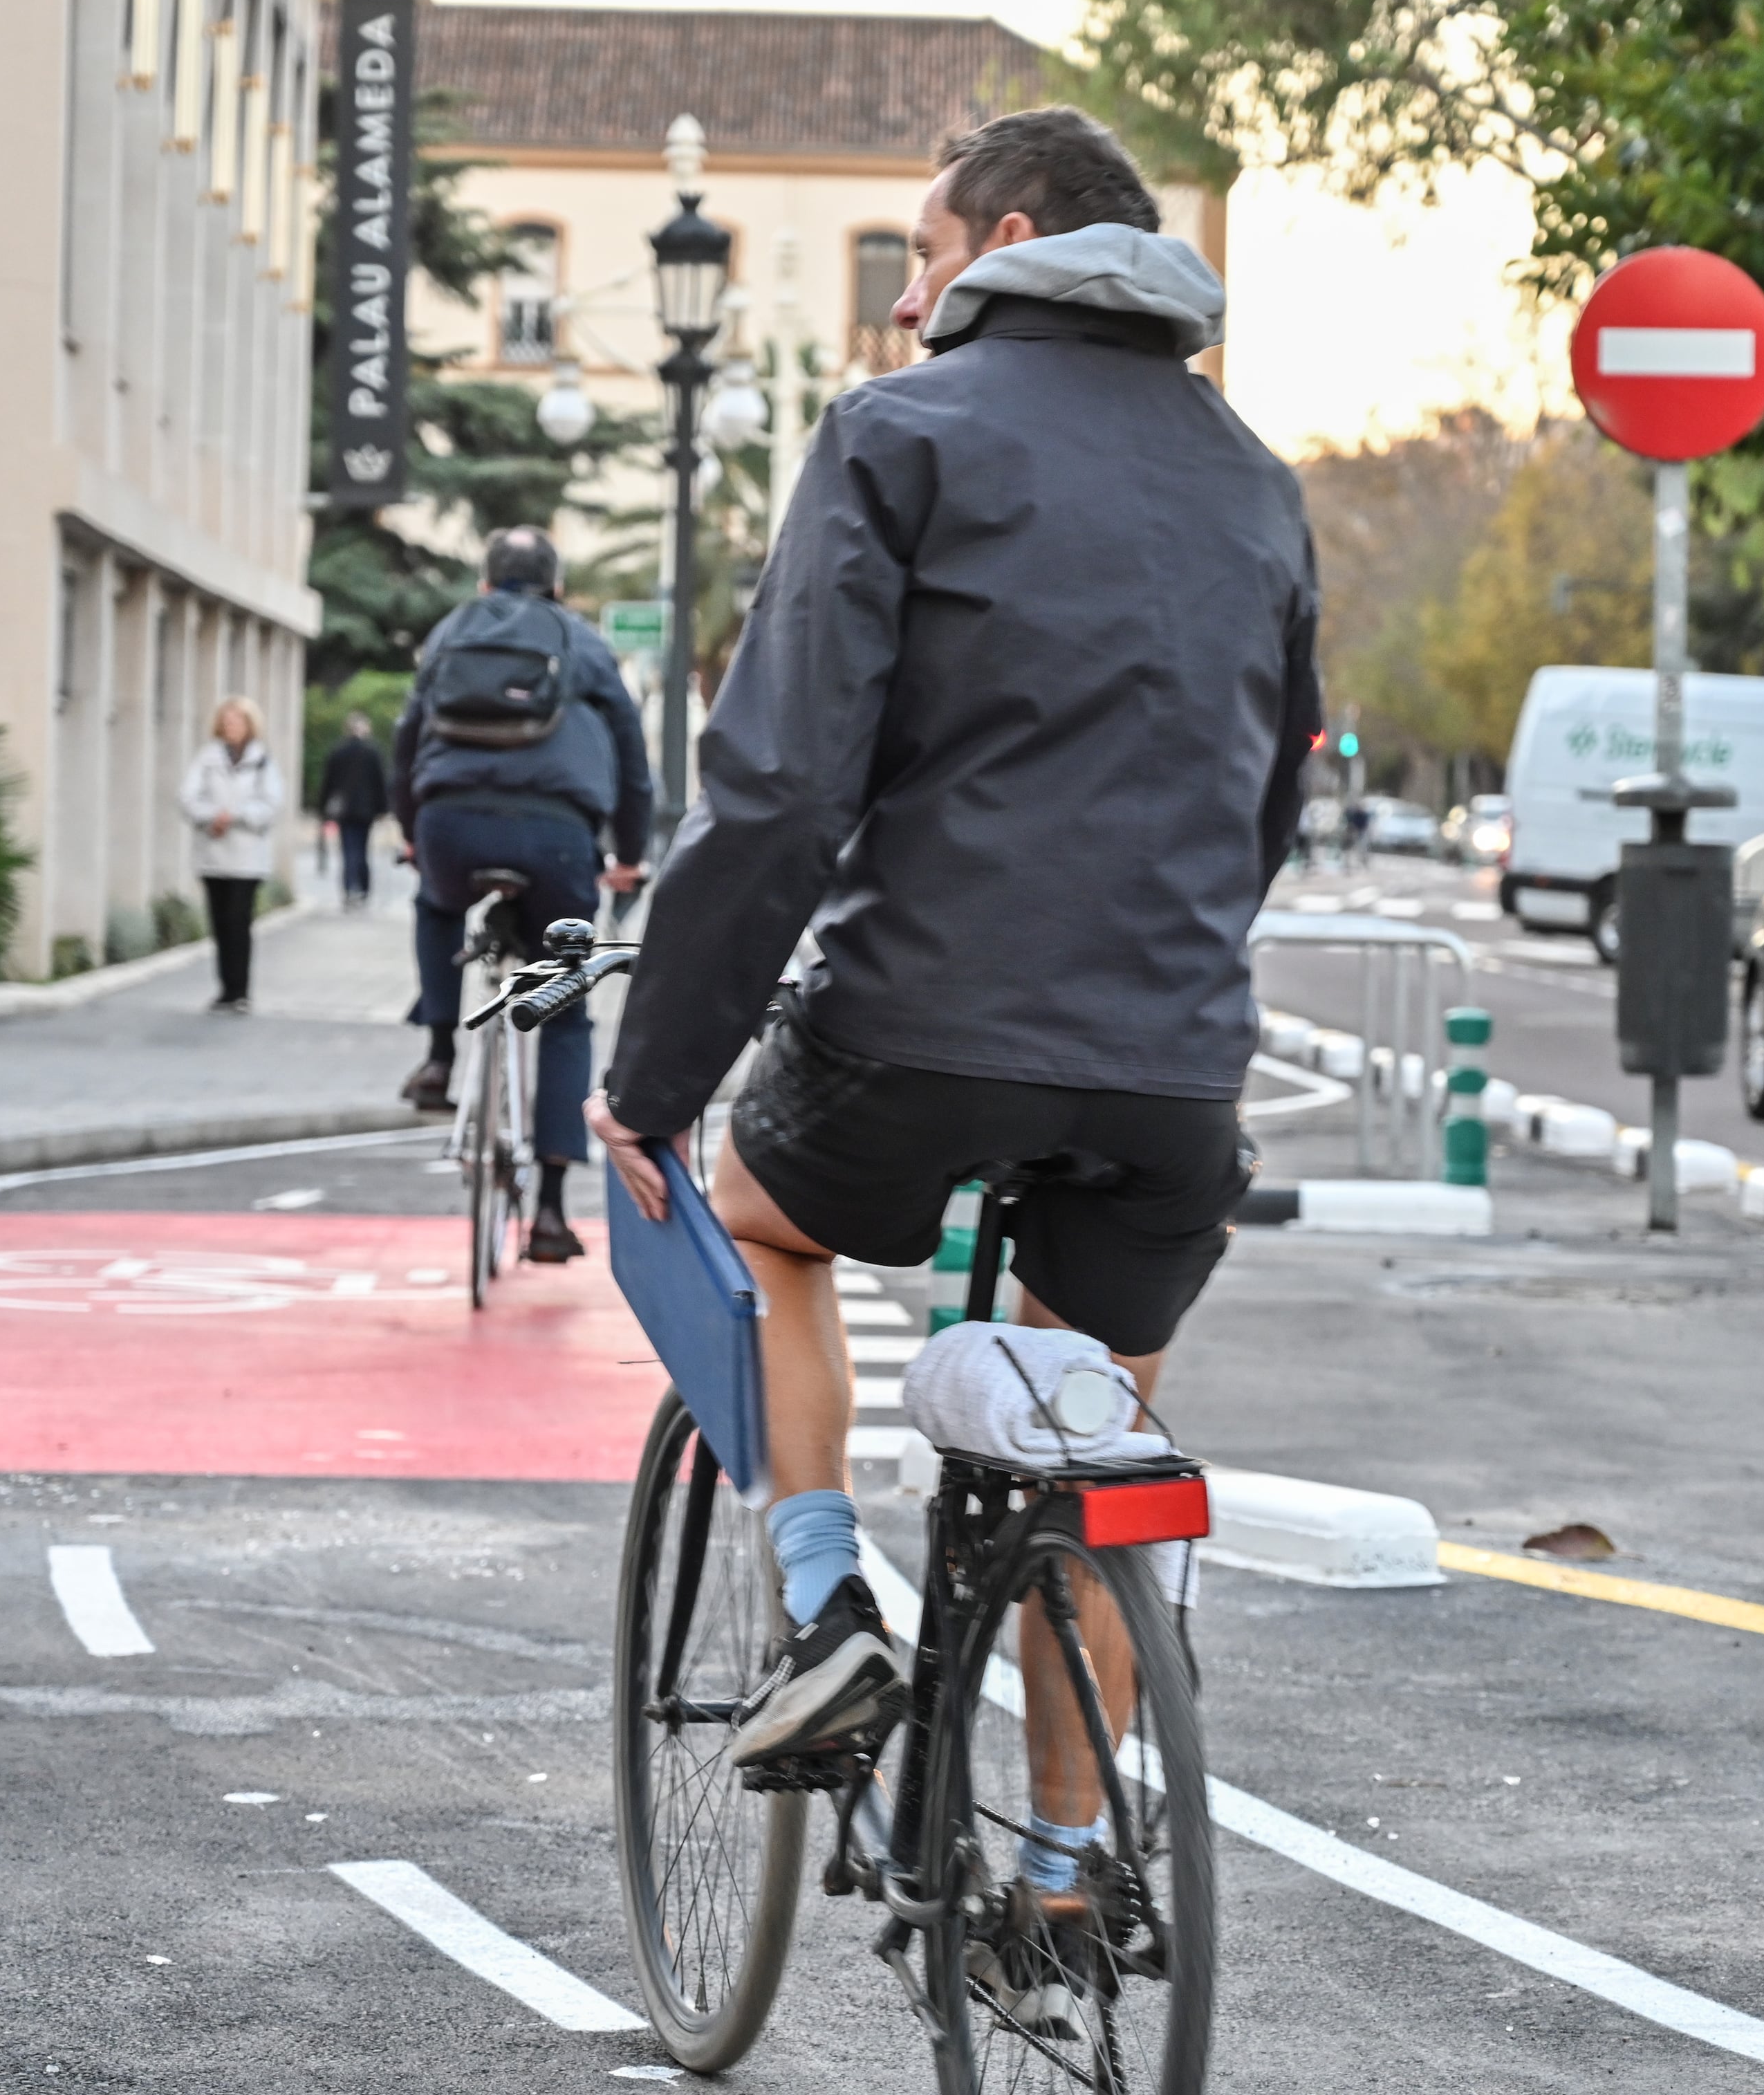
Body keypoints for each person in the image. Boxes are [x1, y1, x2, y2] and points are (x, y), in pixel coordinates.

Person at [588, 108, 1317, 1803]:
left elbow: (775, 795)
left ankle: (829, 1600)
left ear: (1002, 244)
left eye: (918, 255)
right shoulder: (1257, 482)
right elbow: (1265, 799)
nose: (906, 303)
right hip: (1173, 1065)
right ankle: (1069, 1875)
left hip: (918, 1022)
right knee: (1096, 1434)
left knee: (766, 1227)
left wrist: (654, 1082)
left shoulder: (898, 435)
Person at [391, 526, 653, 1262]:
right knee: (565, 1004)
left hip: (450, 825)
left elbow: (407, 738)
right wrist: (629, 854)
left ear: (485, 584)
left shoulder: (451, 631)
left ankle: (439, 1054)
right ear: (557, 588)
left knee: (436, 905)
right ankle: (548, 1210)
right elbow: (631, 753)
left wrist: (415, 830)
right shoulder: (580, 641)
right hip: (557, 836)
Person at [182, 698, 285, 1010]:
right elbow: (187, 796)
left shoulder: (263, 760)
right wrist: (212, 816)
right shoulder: (207, 758)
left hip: (247, 856)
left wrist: (235, 815)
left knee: (240, 921)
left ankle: (240, 990)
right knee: (220, 922)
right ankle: (225, 988)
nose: (231, 728)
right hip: (214, 852)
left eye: (237, 722)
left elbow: (272, 803)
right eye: (226, 722)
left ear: (249, 725)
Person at [318, 710, 391, 908]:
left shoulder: (338, 751)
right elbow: (381, 783)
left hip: (345, 810)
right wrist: (384, 809)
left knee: (349, 850)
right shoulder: (373, 751)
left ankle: (350, 888)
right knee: (361, 849)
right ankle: (363, 889)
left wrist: (323, 808)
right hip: (366, 810)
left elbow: (328, 783)